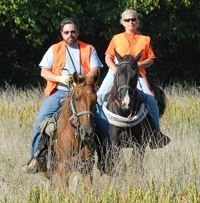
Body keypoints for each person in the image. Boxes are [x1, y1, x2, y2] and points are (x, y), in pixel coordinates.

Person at [22, 18, 111, 173]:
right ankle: (37, 159)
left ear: (78, 32)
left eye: (73, 31)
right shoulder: (54, 49)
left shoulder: (89, 49)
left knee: (104, 124)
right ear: (62, 34)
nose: (70, 35)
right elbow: (44, 71)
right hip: (60, 91)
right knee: (40, 121)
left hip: (83, 91)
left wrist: (82, 81)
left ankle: (107, 160)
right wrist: (58, 78)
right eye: (67, 32)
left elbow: (95, 69)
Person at [97, 9, 170, 149]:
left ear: (137, 22)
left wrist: (138, 65)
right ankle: (97, 129)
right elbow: (107, 57)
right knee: (100, 95)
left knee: (150, 99)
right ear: (122, 22)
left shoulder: (145, 39)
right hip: (117, 71)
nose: (130, 22)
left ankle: (156, 134)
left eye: (133, 19)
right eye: (127, 20)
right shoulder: (116, 38)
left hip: (136, 73)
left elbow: (150, 60)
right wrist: (114, 69)